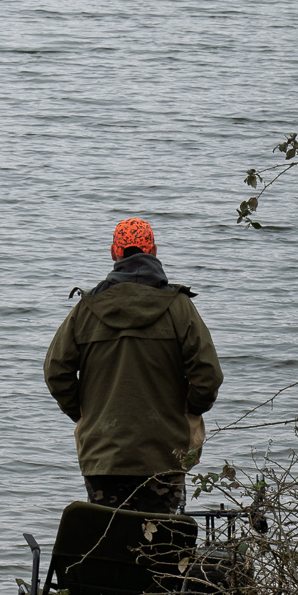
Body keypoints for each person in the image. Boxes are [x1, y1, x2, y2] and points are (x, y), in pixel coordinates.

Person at [43, 216, 223, 515]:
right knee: (162, 538)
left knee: (109, 537)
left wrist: (87, 414)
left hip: (103, 453)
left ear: (114, 252)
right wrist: (188, 410)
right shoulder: (180, 308)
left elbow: (56, 372)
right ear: (154, 250)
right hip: (166, 452)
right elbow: (208, 375)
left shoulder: (86, 309)